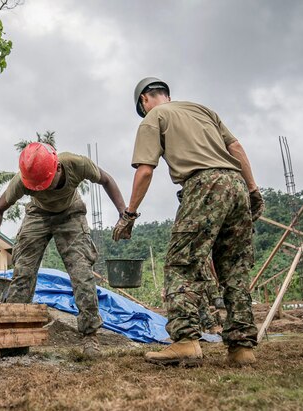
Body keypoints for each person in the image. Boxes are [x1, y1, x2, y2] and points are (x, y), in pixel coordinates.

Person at [113, 77, 264, 366]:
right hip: (236, 184)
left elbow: (145, 171)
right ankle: (242, 349)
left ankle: (185, 342)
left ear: (145, 100)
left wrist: (129, 214)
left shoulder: (153, 118)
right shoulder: (203, 110)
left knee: (181, 265)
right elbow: (237, 149)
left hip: (203, 185)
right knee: (234, 269)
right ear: (166, 95)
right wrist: (253, 189)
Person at [0, 142, 126, 358]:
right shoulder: (22, 180)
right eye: (37, 186)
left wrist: (124, 213)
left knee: (82, 273)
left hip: (71, 213)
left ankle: (90, 336)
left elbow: (106, 180)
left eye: (45, 183)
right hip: (37, 215)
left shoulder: (76, 164)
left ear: (57, 168)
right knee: (23, 273)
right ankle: (14, 335)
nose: (43, 189)